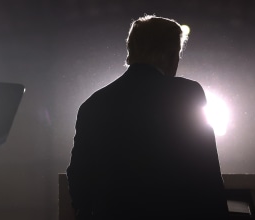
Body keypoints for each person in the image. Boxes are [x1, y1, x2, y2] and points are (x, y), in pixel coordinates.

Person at [66, 15, 229, 219]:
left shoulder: (93, 104)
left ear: (131, 52)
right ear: (170, 55)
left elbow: (78, 177)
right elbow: (207, 171)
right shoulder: (187, 93)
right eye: (176, 54)